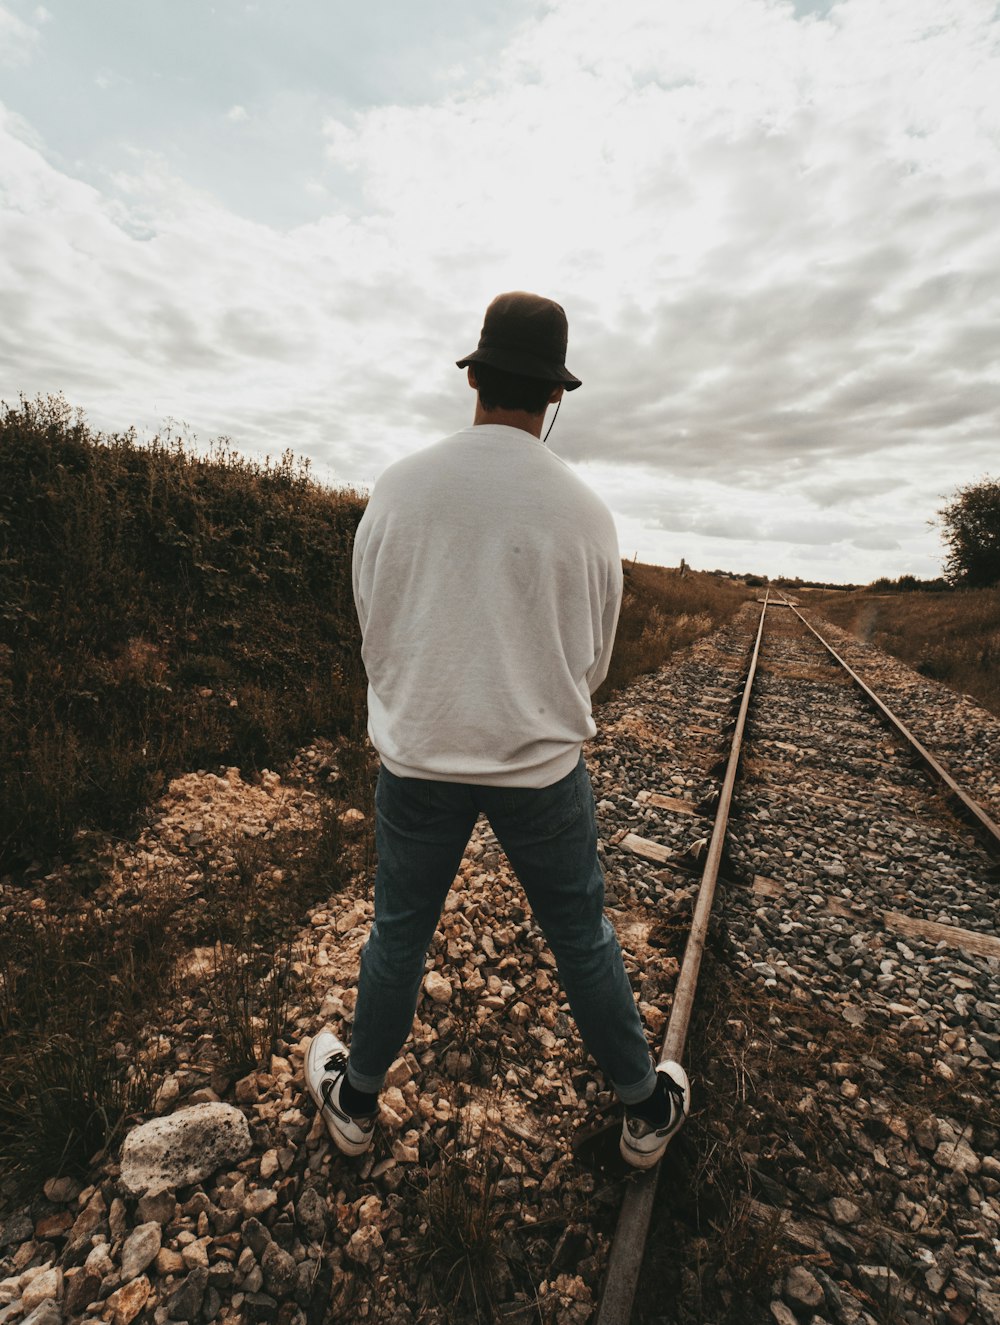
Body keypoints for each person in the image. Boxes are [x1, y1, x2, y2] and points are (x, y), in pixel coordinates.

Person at [304, 291, 689, 1169]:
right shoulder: (588, 514)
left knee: (399, 932)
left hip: (418, 761)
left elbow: (376, 626)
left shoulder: (399, 488)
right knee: (580, 935)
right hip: (542, 772)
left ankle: (356, 1101)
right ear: (555, 398)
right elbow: (591, 661)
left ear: (474, 376)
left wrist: (423, 705)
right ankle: (643, 1103)